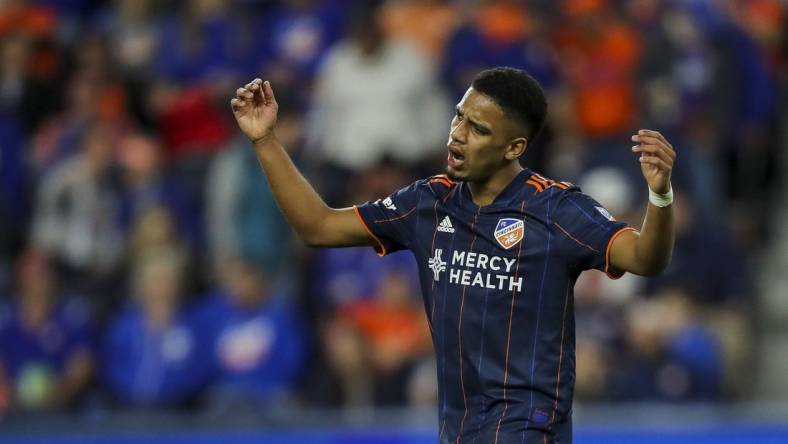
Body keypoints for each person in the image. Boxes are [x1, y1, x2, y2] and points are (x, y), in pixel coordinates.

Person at [230, 67, 676, 443]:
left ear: (514, 147)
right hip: (459, 427)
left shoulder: (556, 209)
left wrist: (659, 196)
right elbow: (318, 227)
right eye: (459, 118)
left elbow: (644, 258)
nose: (458, 136)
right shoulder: (429, 203)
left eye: (478, 129)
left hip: (529, 428)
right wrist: (265, 140)